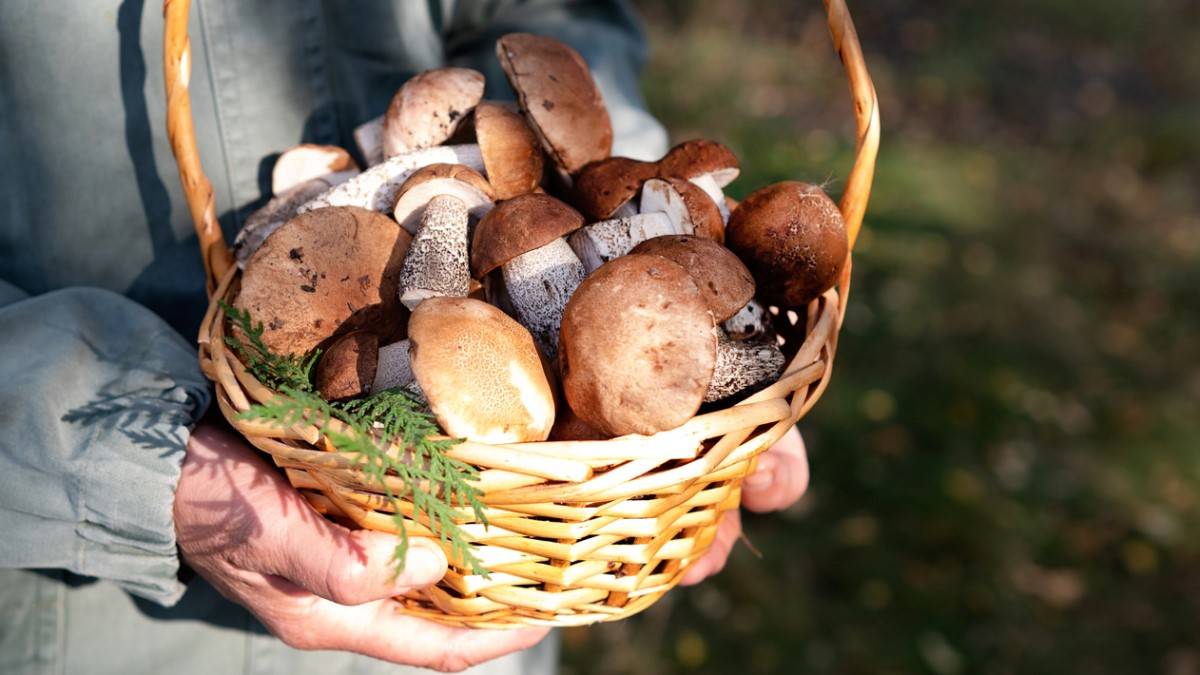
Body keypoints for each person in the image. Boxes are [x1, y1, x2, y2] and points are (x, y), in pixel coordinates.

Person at [0, 1, 810, 673]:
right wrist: (143, 468)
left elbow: (552, 17)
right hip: (99, 599)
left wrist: (627, 184)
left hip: (499, 566)